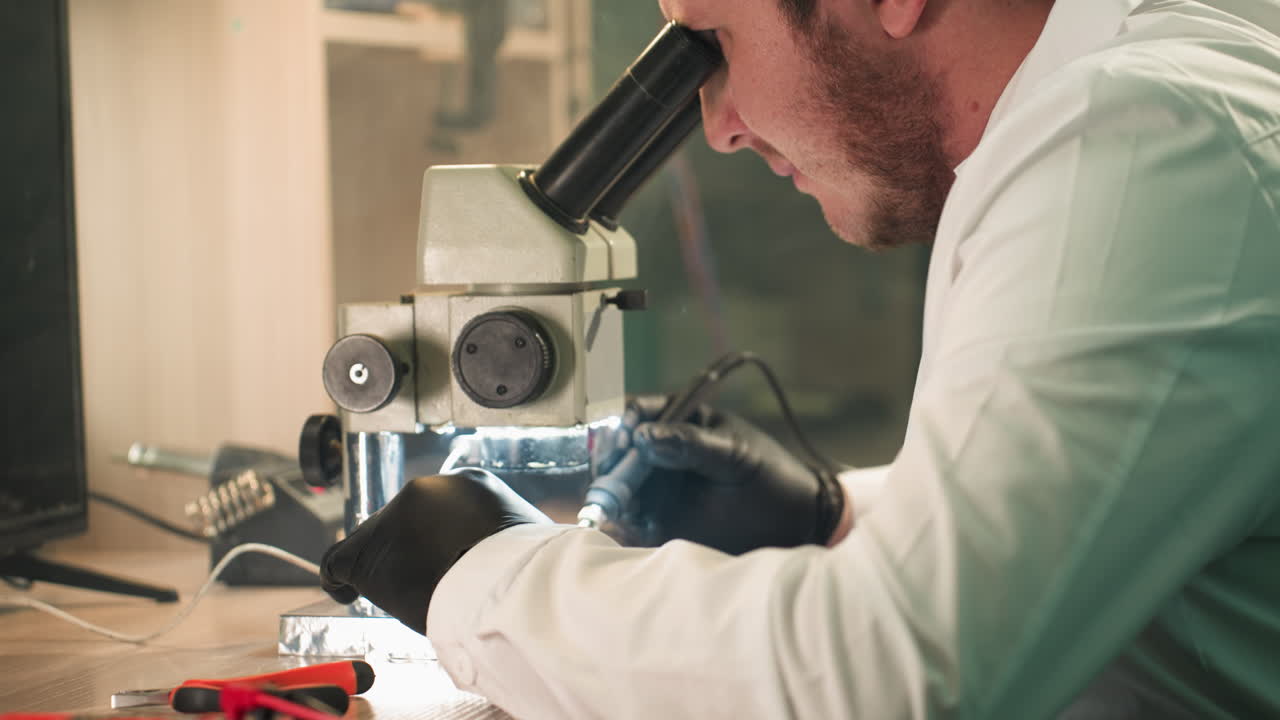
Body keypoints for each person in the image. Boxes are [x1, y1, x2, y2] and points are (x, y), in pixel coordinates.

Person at [320, 0, 1280, 716]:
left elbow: (890, 672)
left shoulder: (1131, 142)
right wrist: (838, 512)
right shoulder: (1121, 115)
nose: (720, 125)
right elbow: (1110, 493)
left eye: (716, 40)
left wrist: (486, 583)